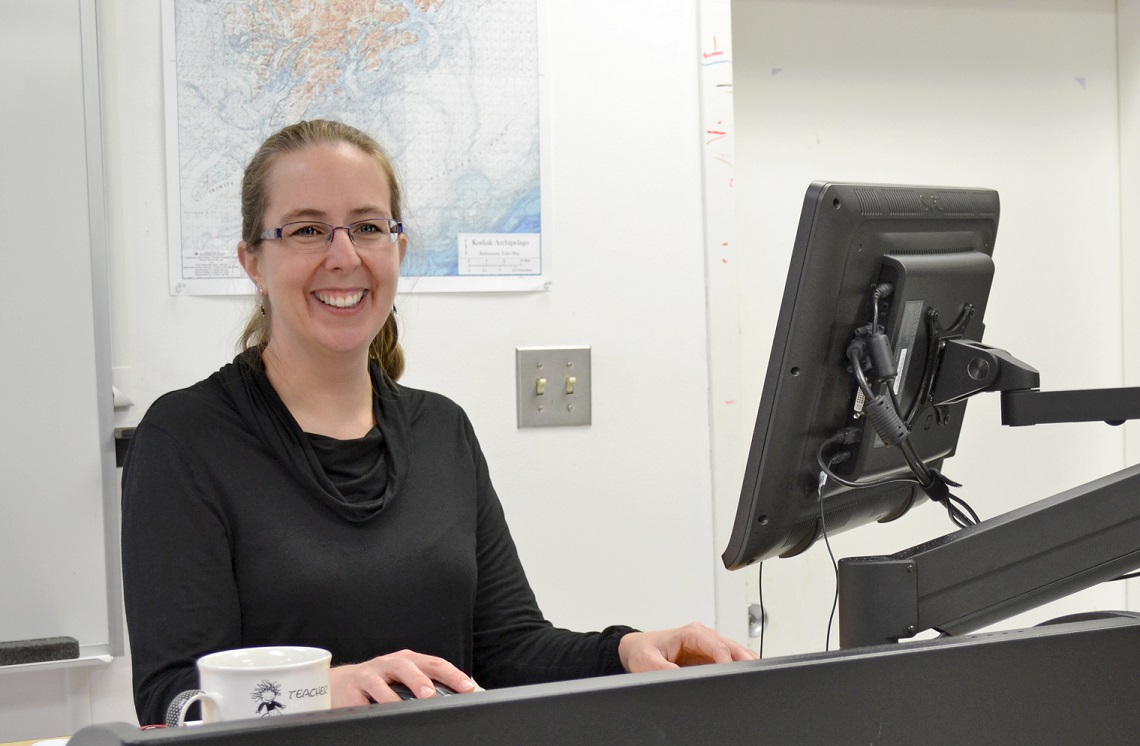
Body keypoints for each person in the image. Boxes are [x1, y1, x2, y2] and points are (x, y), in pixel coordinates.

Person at [120, 119, 756, 726]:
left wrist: (625, 650)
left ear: (397, 247)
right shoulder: (185, 438)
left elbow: (506, 649)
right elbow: (170, 702)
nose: (343, 256)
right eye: (308, 231)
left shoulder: (441, 430)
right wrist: (319, 692)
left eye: (367, 227)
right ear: (253, 261)